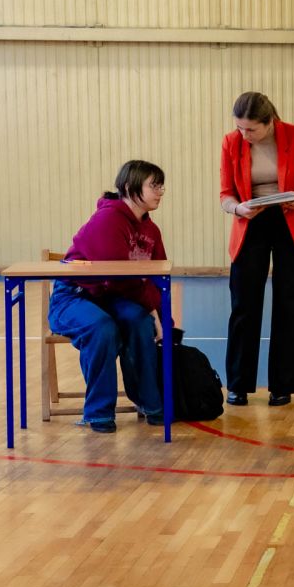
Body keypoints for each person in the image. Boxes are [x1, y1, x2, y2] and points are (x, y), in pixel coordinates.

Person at [47, 160, 168, 434]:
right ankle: (99, 412)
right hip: (74, 296)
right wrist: (152, 312)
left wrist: (163, 321)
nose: (160, 191)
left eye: (161, 186)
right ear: (129, 186)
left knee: (140, 322)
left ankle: (150, 404)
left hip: (111, 296)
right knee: (102, 327)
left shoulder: (151, 231)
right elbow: (119, 278)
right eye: (154, 185)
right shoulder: (107, 220)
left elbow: (156, 278)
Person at [219, 91, 294, 407]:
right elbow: (225, 194)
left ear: (269, 122)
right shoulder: (231, 143)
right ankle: (238, 384)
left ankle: (283, 385)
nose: (244, 135)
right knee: (244, 304)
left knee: (290, 304)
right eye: (239, 128)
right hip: (251, 221)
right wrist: (238, 209)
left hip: (291, 220)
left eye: (251, 129)